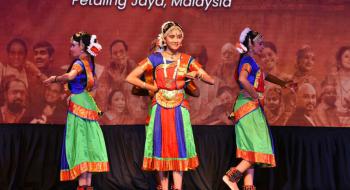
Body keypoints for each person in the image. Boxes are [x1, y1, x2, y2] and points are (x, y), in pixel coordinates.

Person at [126, 21, 215, 190]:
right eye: (172, 36)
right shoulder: (155, 58)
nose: (176, 39)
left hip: (179, 109)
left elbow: (210, 79)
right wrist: (151, 87)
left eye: (179, 36)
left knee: (178, 146)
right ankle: (164, 187)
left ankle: (178, 187)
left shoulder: (187, 59)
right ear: (164, 39)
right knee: (160, 145)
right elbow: (130, 77)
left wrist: (197, 73)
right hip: (159, 107)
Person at [223, 27, 293, 190]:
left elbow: (265, 76)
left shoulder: (252, 61)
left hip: (251, 107)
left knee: (251, 149)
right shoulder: (247, 60)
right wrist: (256, 95)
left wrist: (283, 84)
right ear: (250, 43)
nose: (262, 46)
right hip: (249, 106)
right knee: (258, 147)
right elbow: (242, 79)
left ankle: (248, 186)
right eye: (260, 44)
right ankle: (231, 177)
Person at [43, 32, 109, 190]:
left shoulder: (79, 63)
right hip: (85, 102)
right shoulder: (89, 63)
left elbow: (71, 76)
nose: (71, 48)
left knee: (80, 144)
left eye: (73, 45)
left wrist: (55, 79)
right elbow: (89, 84)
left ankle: (83, 185)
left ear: (82, 47)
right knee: (88, 143)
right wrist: (74, 93)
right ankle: (86, 185)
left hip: (79, 106)